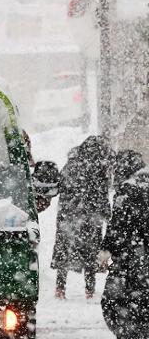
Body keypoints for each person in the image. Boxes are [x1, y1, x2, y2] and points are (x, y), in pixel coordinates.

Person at [50, 135, 113, 299]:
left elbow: (61, 187)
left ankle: (60, 288)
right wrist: (106, 213)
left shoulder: (71, 164)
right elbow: (102, 194)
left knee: (64, 251)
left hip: (68, 216)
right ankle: (89, 290)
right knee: (90, 253)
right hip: (91, 217)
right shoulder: (98, 167)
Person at [99, 149, 149, 338]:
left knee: (116, 304)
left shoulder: (128, 190)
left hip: (132, 261)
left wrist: (105, 251)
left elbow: (118, 226)